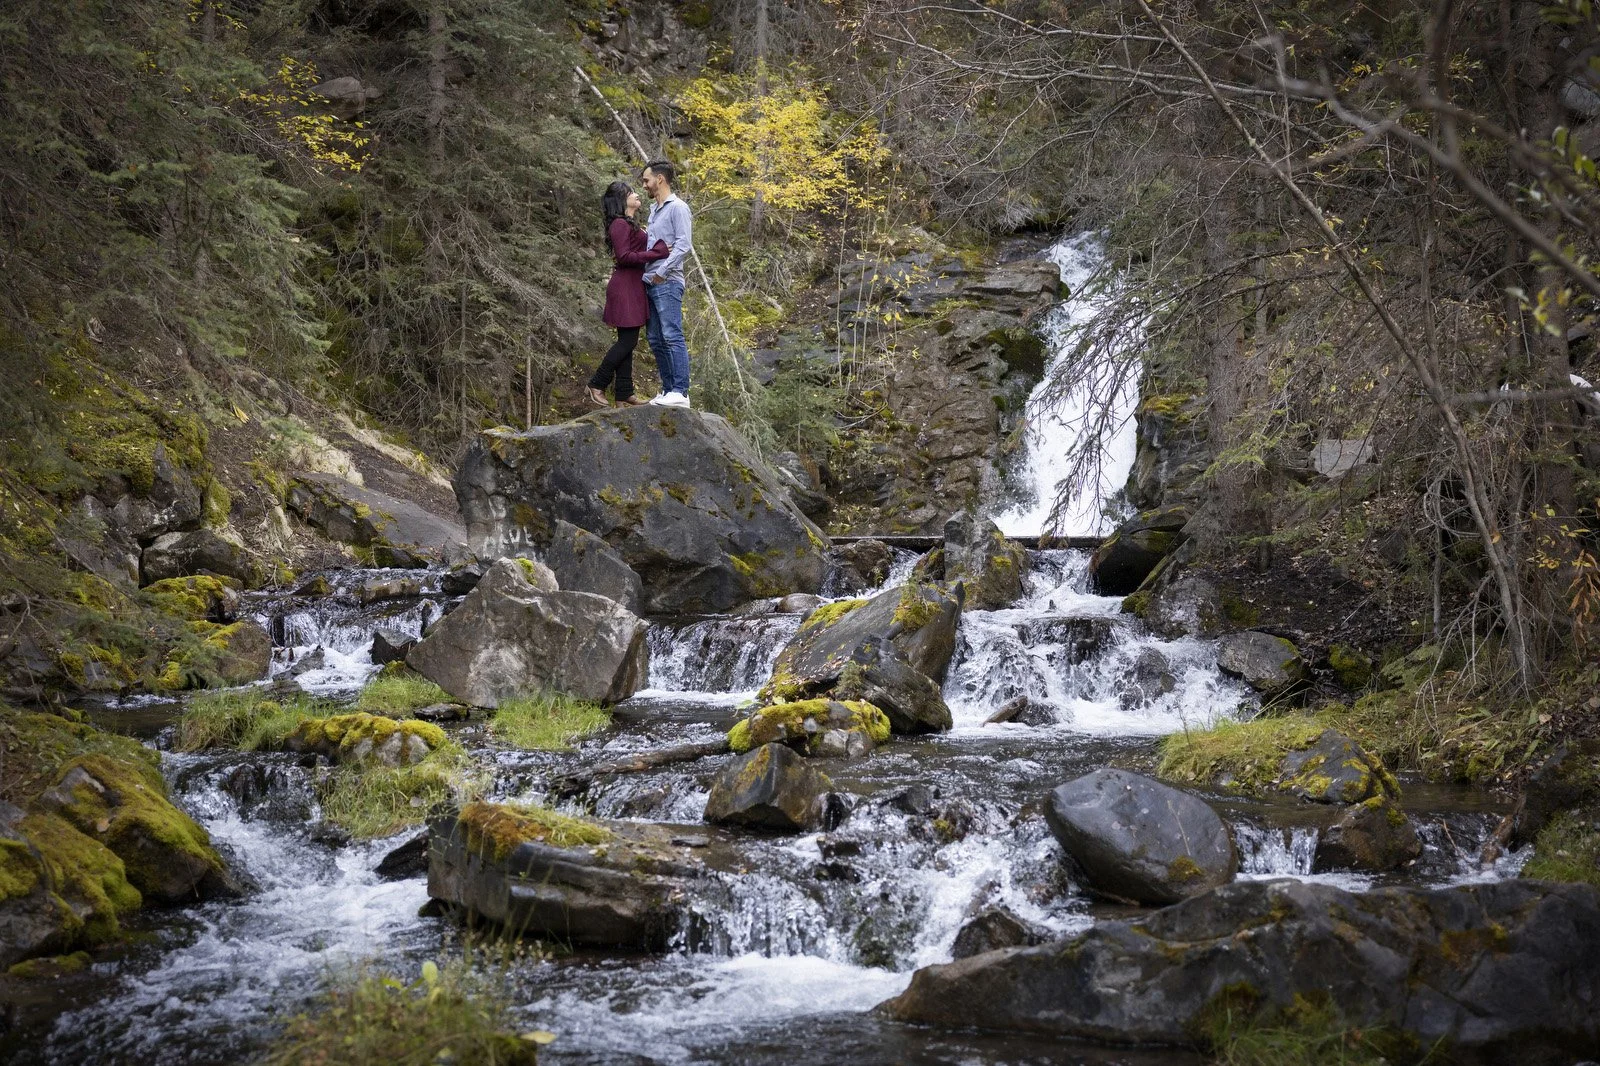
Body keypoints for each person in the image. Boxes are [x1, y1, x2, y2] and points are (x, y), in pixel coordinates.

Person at [589, 181, 669, 408]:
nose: (636, 194)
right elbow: (624, 257)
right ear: (621, 200)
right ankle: (597, 383)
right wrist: (657, 253)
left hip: (632, 286)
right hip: (625, 286)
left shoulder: (628, 224)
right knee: (627, 341)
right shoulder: (619, 224)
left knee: (628, 340)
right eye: (630, 192)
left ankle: (624, 393)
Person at [640, 160, 693, 408]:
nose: (645, 185)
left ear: (660, 179)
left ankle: (681, 391)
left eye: (646, 180)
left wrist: (661, 271)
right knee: (654, 338)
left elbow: (683, 245)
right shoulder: (654, 210)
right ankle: (668, 389)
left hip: (668, 280)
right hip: (650, 281)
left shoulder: (678, 208)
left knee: (672, 334)